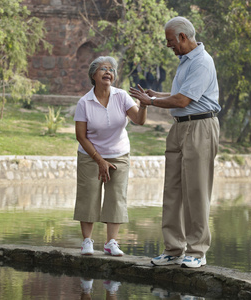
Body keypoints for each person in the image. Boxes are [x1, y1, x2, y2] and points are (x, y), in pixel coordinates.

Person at [129, 16, 220, 268]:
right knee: (173, 190)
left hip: (200, 126)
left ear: (182, 37)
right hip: (180, 128)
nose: (169, 46)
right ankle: (173, 249)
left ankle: (197, 252)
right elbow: (182, 95)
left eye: (171, 41)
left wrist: (151, 103)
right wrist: (157, 95)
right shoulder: (185, 62)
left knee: (196, 190)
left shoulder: (202, 61)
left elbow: (183, 101)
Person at [74, 56, 147, 257]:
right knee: (89, 195)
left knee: (116, 196)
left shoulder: (122, 96)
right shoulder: (84, 102)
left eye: (111, 70)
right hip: (90, 155)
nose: (108, 72)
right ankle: (87, 241)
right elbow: (80, 136)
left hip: (119, 154)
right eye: (103, 68)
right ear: (93, 75)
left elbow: (139, 121)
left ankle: (111, 243)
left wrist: (144, 105)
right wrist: (99, 160)